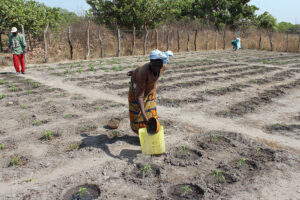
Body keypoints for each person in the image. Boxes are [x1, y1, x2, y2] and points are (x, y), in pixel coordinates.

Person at [127, 50, 173, 134]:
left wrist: (135, 71)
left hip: (150, 90)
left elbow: (160, 65)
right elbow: (140, 96)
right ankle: (141, 134)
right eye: (155, 65)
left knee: (151, 112)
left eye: (159, 65)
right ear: (150, 62)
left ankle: (152, 130)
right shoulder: (143, 72)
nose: (157, 68)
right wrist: (144, 115)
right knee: (138, 114)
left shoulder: (163, 66)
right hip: (138, 89)